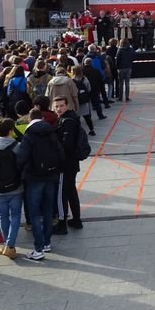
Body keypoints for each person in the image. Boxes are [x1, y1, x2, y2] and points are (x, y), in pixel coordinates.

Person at [15, 108, 65, 261]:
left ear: (30, 119)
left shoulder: (29, 135)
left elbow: (21, 158)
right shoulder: (51, 132)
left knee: (35, 213)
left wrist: (19, 173)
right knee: (48, 210)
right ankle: (47, 242)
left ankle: (39, 247)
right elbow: (60, 153)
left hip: (34, 178)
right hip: (51, 176)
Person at [0, 117, 23, 259]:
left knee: (2, 216)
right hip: (16, 186)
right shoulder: (16, 146)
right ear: (10, 131)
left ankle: (6, 244)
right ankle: (10, 245)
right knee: (15, 215)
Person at [54, 96, 89, 231]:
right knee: (70, 191)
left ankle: (62, 223)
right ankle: (76, 219)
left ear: (67, 106)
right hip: (72, 162)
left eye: (61, 106)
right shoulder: (71, 119)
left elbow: (66, 145)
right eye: (56, 106)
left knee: (63, 193)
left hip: (66, 163)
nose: (59, 109)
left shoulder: (67, 122)